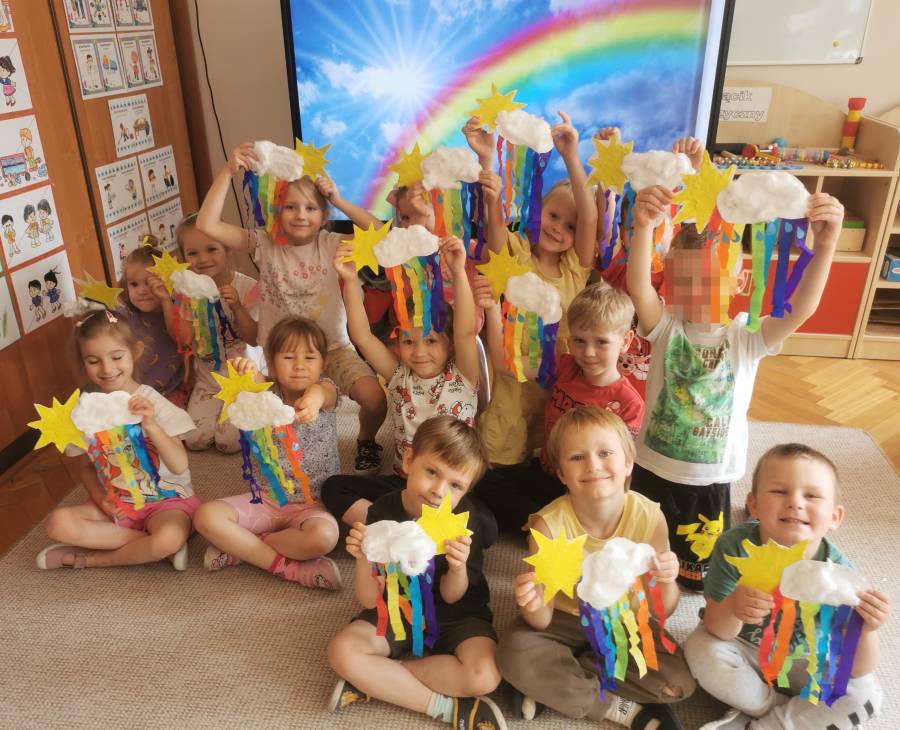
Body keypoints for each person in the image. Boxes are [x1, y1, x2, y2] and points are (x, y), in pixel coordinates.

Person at [626, 185, 844, 589]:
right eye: (683, 279)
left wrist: (826, 245)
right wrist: (643, 228)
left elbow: (801, 308)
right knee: (637, 565)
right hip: (653, 469)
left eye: (708, 279)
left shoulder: (747, 336)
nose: (695, 290)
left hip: (710, 479)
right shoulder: (666, 325)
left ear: (740, 280)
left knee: (697, 579)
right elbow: (638, 287)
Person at [498, 406, 695, 728]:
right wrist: (531, 602)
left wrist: (667, 579)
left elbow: (661, 612)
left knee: (678, 682)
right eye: (577, 457)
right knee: (514, 654)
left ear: (628, 463)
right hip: (563, 619)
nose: (593, 465)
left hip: (625, 620)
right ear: (561, 474)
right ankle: (620, 708)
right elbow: (541, 619)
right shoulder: (548, 527)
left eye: (605, 453)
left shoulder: (650, 517)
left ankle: (562, 681)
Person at [197, 143, 388, 473]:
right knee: (284, 415)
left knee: (375, 398)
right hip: (283, 355)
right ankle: (289, 459)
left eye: (311, 208)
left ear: (324, 216)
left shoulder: (332, 244)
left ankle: (367, 440)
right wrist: (228, 171)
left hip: (332, 348)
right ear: (277, 212)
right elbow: (207, 224)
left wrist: (339, 200)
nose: (301, 215)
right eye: (291, 207)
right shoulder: (263, 244)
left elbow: (380, 236)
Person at [684, 443, 888, 729]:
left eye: (812, 496)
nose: (795, 503)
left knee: (864, 693)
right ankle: (774, 710)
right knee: (700, 649)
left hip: (807, 662)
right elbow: (717, 629)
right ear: (753, 504)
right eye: (780, 491)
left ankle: (760, 724)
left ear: (835, 517)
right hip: (744, 649)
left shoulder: (839, 573)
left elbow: (856, 668)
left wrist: (867, 629)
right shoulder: (735, 547)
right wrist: (734, 606)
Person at [327, 416, 506, 730]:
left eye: (455, 485)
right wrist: (362, 559)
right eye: (432, 472)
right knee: (342, 652)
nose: (438, 491)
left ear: (466, 491)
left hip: (457, 614)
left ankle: (379, 679)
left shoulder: (466, 520)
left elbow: (454, 595)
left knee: (485, 675)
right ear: (409, 460)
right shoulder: (382, 512)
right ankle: (443, 708)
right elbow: (369, 600)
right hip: (398, 608)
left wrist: (457, 566)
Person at [322, 235, 479, 527]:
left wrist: (459, 272)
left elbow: (466, 333)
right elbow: (362, 337)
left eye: (431, 341)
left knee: (485, 526)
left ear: (450, 345)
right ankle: (399, 529)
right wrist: (351, 281)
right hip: (404, 484)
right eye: (408, 341)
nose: (419, 352)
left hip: (447, 490)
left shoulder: (463, 376)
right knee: (333, 487)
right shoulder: (398, 376)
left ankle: (404, 527)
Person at [472, 112, 597, 466]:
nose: (558, 228)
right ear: (538, 211)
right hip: (513, 378)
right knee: (502, 455)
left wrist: (570, 156)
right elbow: (495, 232)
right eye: (553, 216)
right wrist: (487, 166)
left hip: (557, 379)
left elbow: (589, 218)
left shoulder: (575, 269)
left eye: (569, 226)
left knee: (552, 456)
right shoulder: (517, 252)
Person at [474, 281, 644, 532]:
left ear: (625, 341)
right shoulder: (564, 367)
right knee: (482, 481)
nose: (588, 352)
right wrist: (491, 309)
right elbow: (502, 364)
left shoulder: (629, 403)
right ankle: (547, 524)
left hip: (588, 488)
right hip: (547, 473)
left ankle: (556, 526)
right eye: (580, 341)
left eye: (601, 342)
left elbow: (619, 473)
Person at [36, 307, 197, 570]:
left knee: (168, 537)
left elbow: (180, 465)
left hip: (167, 502)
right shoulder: (85, 411)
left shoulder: (153, 402)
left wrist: (151, 425)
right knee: (58, 524)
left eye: (117, 357)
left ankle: (96, 559)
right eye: (93, 360)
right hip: (119, 504)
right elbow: (87, 468)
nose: (107, 368)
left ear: (136, 351)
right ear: (82, 361)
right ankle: (150, 547)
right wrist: (102, 499)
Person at [193, 316, 342, 589]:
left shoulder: (326, 389)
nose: (299, 365)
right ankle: (288, 568)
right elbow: (256, 386)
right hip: (267, 500)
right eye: (288, 357)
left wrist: (311, 401)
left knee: (324, 539)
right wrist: (248, 372)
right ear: (271, 363)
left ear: (324, 363)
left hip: (315, 504)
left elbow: (322, 393)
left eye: (310, 357)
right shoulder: (262, 396)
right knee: (206, 517)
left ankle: (247, 547)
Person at [176, 213, 258, 453]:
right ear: (184, 258)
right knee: (194, 440)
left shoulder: (249, 287)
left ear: (228, 249)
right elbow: (185, 340)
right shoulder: (188, 292)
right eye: (192, 253)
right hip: (209, 379)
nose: (202, 259)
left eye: (212, 249)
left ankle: (261, 408)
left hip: (243, 378)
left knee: (228, 442)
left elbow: (254, 338)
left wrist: (237, 307)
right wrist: (175, 303)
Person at [115, 242, 188, 406]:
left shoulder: (177, 310)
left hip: (170, 392)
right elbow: (103, 328)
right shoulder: (124, 314)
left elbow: (182, 340)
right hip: (132, 397)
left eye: (149, 283)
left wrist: (166, 301)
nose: (142, 291)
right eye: (134, 284)